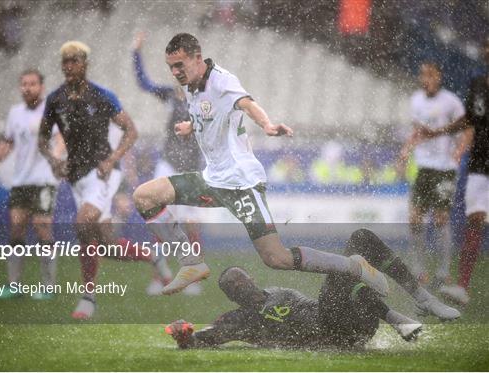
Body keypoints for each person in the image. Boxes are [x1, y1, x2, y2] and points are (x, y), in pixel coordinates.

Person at [132, 33, 455, 320]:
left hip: (242, 184)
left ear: (197, 58)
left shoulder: (221, 79)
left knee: (277, 258)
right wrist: (192, 126)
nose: (174, 72)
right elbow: (210, 113)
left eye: (179, 64)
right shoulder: (191, 87)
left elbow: (247, 104)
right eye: (170, 66)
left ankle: (354, 266)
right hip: (212, 179)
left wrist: (268, 125)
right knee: (144, 196)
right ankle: (192, 262)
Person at [38, 41, 169, 319]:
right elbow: (42, 139)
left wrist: (112, 159)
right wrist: (54, 161)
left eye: (74, 61)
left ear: (85, 64)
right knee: (106, 243)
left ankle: (88, 298)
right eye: (65, 62)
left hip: (103, 173)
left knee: (83, 222)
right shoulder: (55, 99)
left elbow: (131, 131)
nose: (69, 66)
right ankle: (153, 257)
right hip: (76, 178)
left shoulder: (101, 96)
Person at [166, 229, 460, 350]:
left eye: (241, 279)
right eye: (234, 287)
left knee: (360, 238)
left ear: (252, 278)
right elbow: (204, 339)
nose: (241, 286)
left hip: (356, 322)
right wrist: (184, 334)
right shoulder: (240, 320)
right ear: (232, 296)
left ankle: (421, 297)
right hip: (330, 334)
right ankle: (396, 318)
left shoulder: (275, 291)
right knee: (342, 272)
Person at [0, 68, 64, 300]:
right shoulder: (15, 113)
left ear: (41, 87)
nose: (27, 87)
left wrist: (57, 158)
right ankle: (14, 285)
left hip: (44, 180)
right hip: (20, 181)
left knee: (42, 227)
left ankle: (48, 286)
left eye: (32, 83)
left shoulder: (51, 111)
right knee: (17, 229)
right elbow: (7, 146)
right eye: (24, 84)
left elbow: (61, 139)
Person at [419, 38, 489, 305]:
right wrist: (439, 132)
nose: (486, 49)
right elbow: (469, 120)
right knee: (475, 220)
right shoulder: (478, 84)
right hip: (480, 165)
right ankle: (462, 286)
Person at [131, 31, 202, 296]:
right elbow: (143, 83)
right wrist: (135, 52)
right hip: (169, 163)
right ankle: (160, 277)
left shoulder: (203, 96)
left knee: (191, 225)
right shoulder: (171, 95)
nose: (178, 74)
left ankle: (192, 278)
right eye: (175, 69)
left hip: (193, 167)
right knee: (158, 221)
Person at [397, 62, 467, 287]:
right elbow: (417, 131)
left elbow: (467, 128)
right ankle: (419, 269)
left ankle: (444, 271)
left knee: (440, 218)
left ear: (439, 77)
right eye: (423, 75)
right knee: (415, 218)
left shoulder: (451, 101)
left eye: (430, 75)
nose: (426, 79)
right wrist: (405, 151)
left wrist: (459, 150)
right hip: (424, 166)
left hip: (445, 168)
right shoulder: (416, 100)